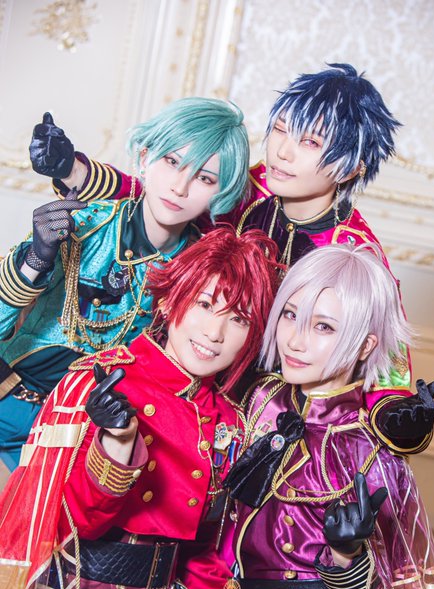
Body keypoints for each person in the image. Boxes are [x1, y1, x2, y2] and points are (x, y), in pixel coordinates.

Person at [29, 64, 434, 457]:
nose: (282, 151)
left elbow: (386, 360)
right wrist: (73, 170)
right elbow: (162, 195)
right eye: (280, 129)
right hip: (178, 372)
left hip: (263, 418)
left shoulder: (355, 252)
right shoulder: (251, 186)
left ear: (352, 167)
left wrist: (397, 416)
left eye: (310, 143)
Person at [0, 228, 281, 589]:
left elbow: (202, 547)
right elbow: (64, 525)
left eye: (239, 319)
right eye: (204, 304)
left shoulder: (228, 419)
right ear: (169, 301)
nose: (214, 333)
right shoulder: (98, 382)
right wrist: (117, 444)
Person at [222, 244, 434, 589]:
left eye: (323, 326)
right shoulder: (260, 400)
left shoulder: (369, 450)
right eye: (290, 315)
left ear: (365, 345)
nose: (295, 340)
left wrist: (346, 555)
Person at [0, 97, 249, 478]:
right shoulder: (86, 224)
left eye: (204, 178)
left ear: (221, 192)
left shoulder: (201, 273)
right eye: (172, 162)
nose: (180, 187)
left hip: (77, 441)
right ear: (145, 158)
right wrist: (34, 260)